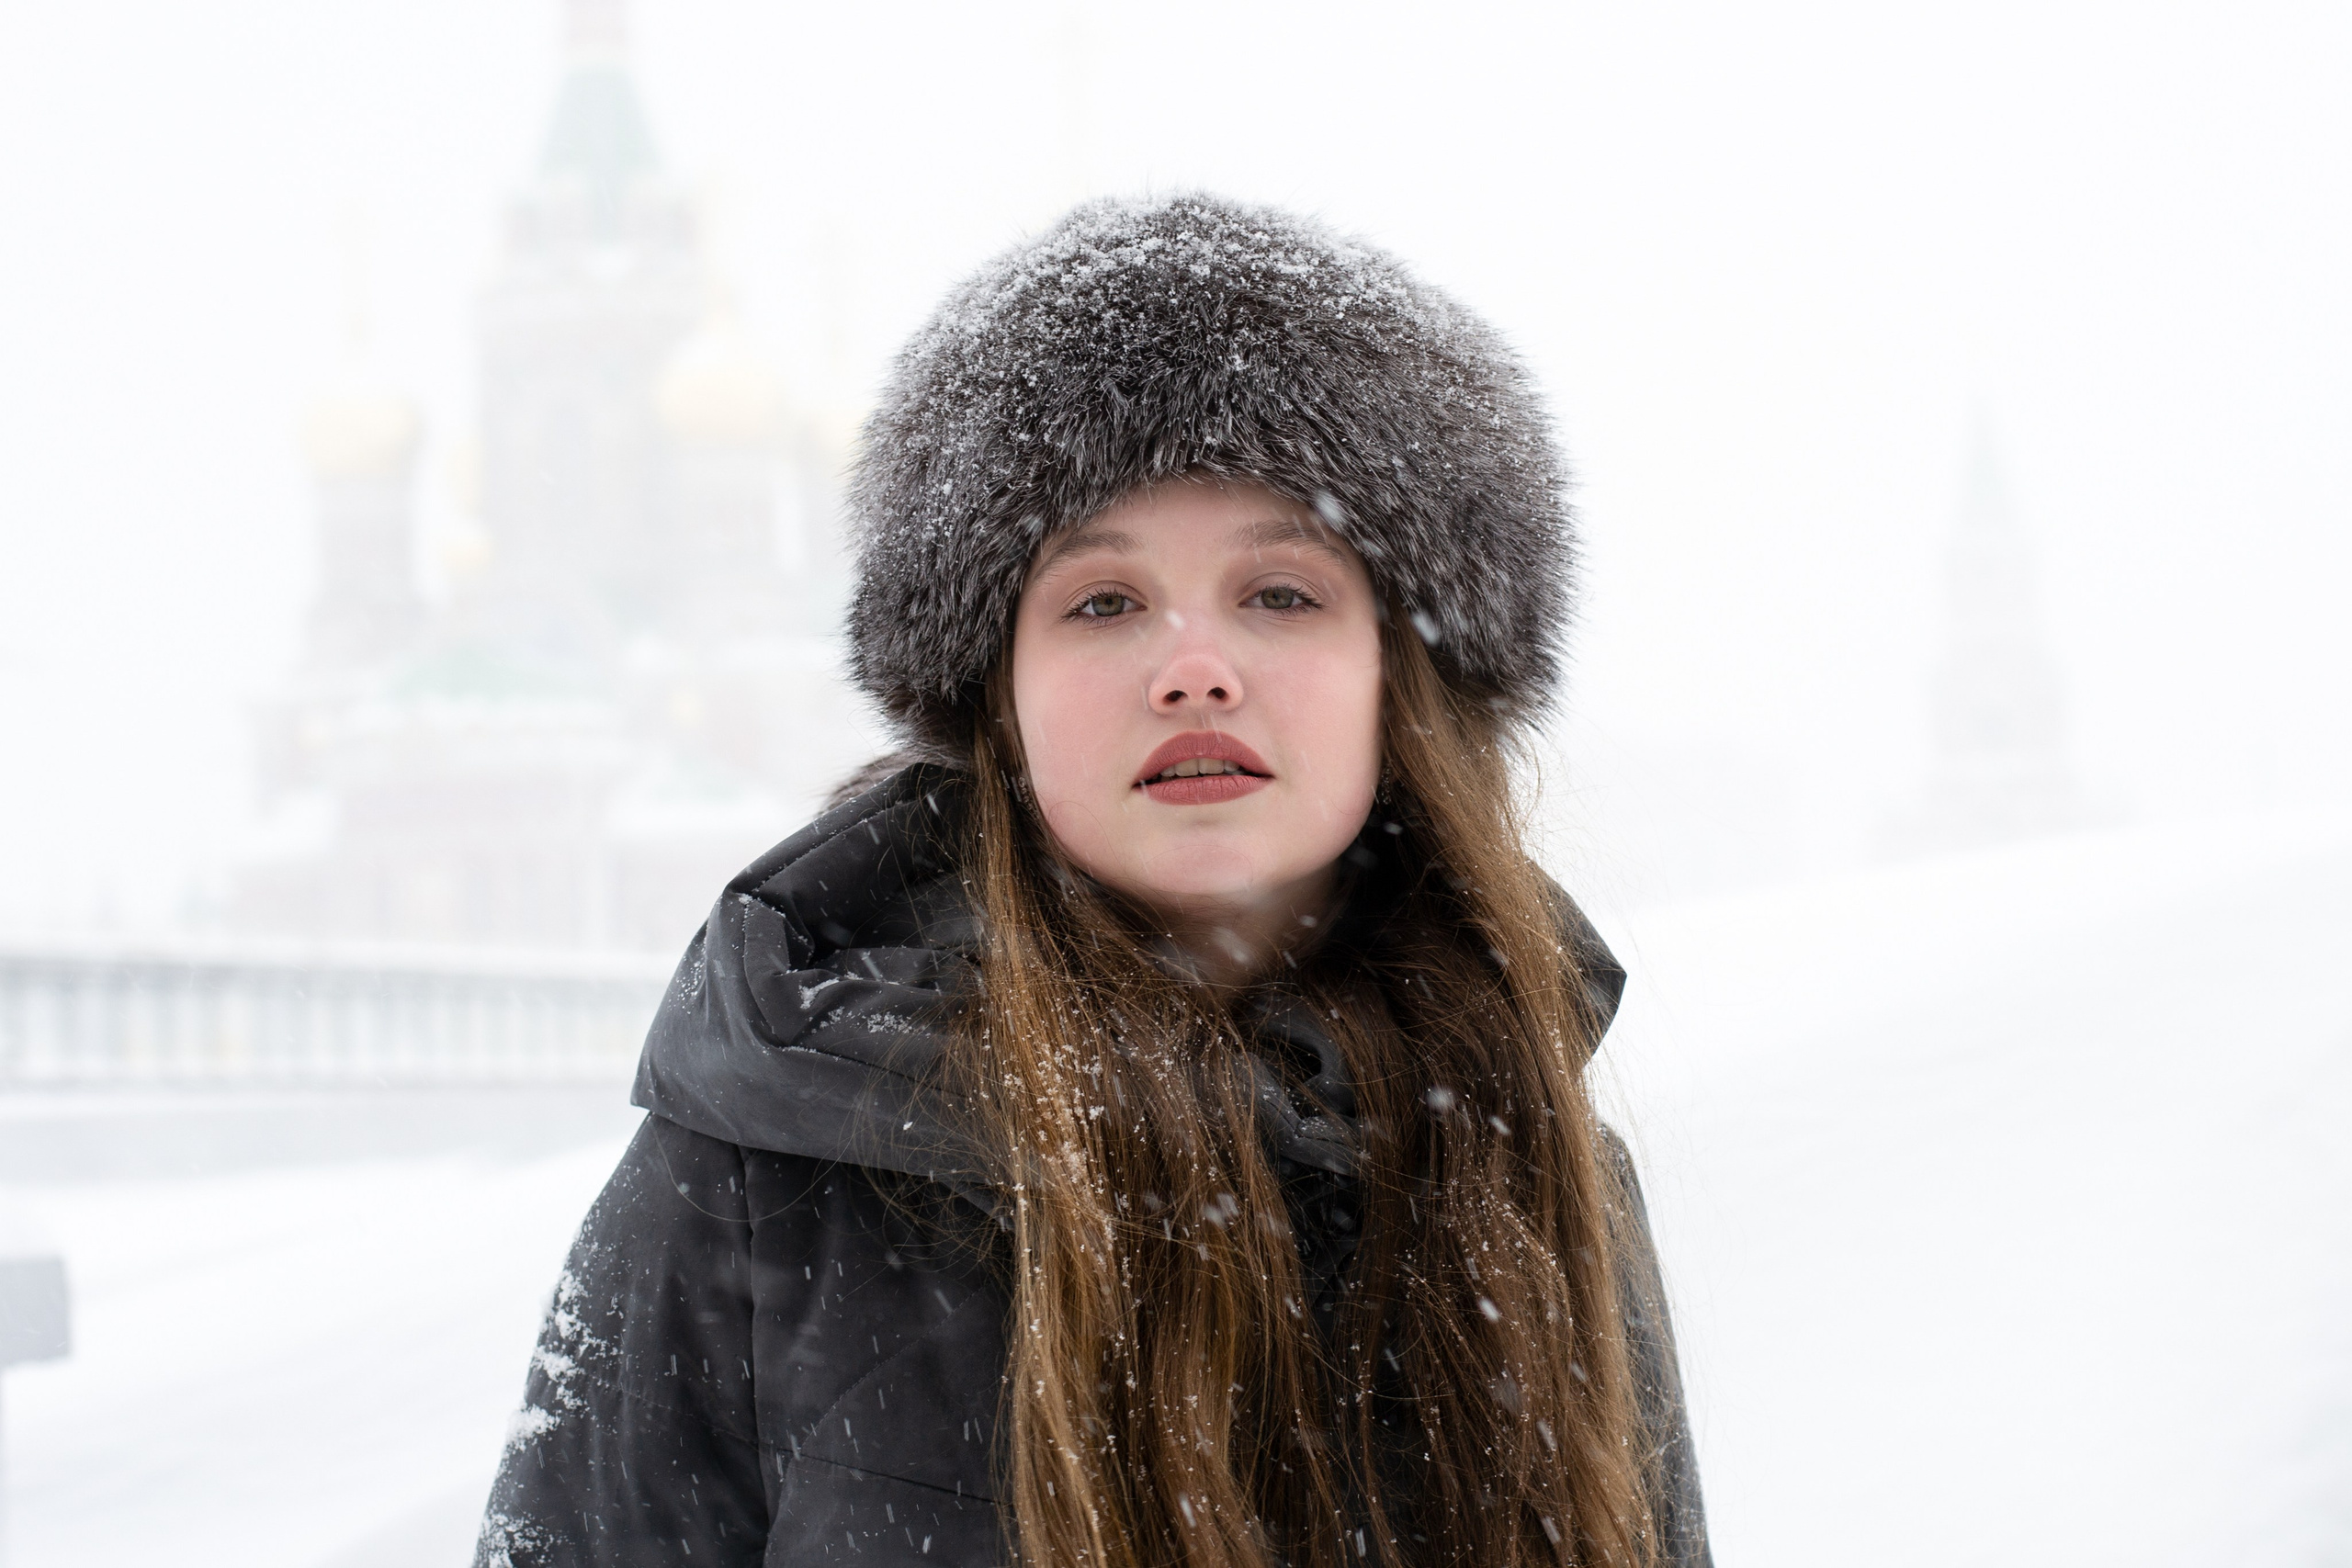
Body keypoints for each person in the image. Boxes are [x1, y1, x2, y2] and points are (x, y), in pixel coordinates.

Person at [476, 193, 1711, 1568]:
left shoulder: (1524, 1152)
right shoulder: (771, 1174)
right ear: (997, 696)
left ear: (1397, 681)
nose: (1195, 665)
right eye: (1103, 603)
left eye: (1282, 594)